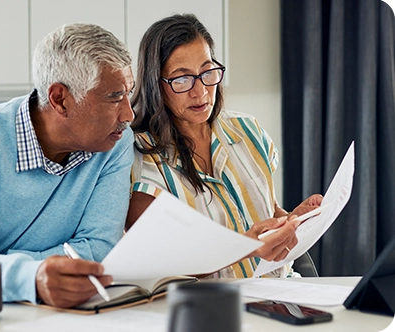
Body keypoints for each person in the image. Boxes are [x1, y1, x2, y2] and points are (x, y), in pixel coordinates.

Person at [0, 23, 135, 308]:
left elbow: (98, 251)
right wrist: (31, 278)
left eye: (128, 93)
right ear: (60, 99)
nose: (128, 114)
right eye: (114, 97)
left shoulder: (114, 142)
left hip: (66, 317)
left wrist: (0, 271)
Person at [126, 14, 322, 278]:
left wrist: (291, 221)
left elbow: (267, 208)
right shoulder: (138, 159)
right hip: (211, 309)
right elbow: (162, 261)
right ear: (156, 84)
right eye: (182, 80)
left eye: (207, 72)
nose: (201, 92)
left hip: (283, 294)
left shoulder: (248, 130)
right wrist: (247, 247)